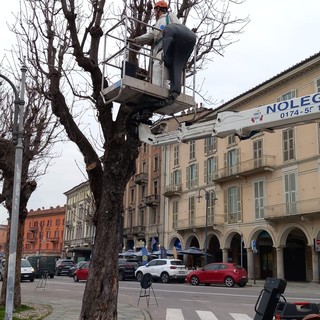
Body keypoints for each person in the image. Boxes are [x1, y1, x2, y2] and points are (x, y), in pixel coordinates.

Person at [131, 1, 180, 87]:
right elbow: (150, 35)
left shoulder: (168, 18)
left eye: (155, 10)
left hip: (166, 46)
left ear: (158, 9)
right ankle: (164, 91)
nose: (154, 13)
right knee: (162, 72)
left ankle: (157, 91)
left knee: (158, 68)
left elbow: (178, 29)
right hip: (162, 49)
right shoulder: (158, 23)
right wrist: (136, 40)